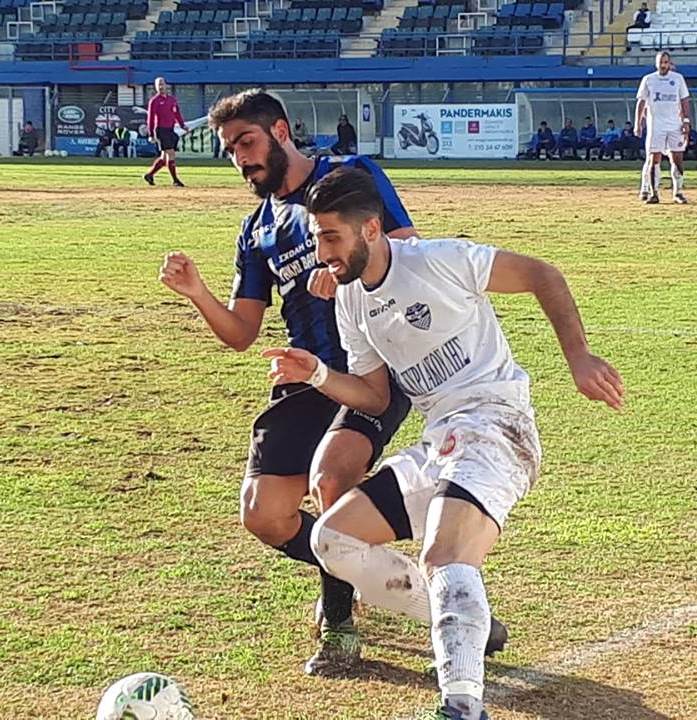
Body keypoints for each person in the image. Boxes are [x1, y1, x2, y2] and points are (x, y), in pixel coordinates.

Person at [158, 90, 509, 677]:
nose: (240, 159)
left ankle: (339, 623)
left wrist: (344, 273)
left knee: (330, 476)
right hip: (304, 375)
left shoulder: (348, 176)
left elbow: (408, 246)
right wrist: (197, 293)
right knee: (264, 514)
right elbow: (242, 332)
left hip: (372, 369)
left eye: (246, 142)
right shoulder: (257, 229)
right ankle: (418, 590)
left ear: (280, 131)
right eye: (230, 150)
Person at [264, 166, 624, 720]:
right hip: (442, 439)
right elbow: (374, 397)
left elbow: (542, 274)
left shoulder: (438, 260)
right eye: (317, 238)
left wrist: (579, 357)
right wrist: (316, 373)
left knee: (444, 555)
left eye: (331, 237)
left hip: (498, 425)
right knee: (331, 540)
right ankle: (455, 618)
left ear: (371, 229)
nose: (322, 253)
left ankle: (462, 705)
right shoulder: (350, 301)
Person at [636, 51, 690, 204]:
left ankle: (678, 192)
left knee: (677, 158)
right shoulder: (649, 80)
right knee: (653, 159)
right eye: (661, 62)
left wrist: (686, 121)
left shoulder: (678, 79)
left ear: (670, 63)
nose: (663, 65)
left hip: (675, 126)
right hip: (656, 126)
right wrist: (638, 123)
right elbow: (641, 102)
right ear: (656, 63)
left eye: (666, 62)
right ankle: (652, 192)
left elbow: (684, 101)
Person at [144, 77, 188, 187]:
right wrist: (151, 134)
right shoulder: (154, 101)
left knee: (164, 158)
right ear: (155, 87)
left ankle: (149, 175)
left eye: (162, 84)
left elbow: (177, 113)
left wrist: (182, 125)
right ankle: (175, 180)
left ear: (166, 85)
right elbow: (150, 118)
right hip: (161, 130)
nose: (161, 86)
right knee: (171, 154)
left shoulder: (172, 100)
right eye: (158, 85)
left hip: (170, 129)